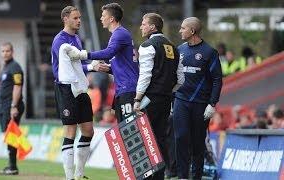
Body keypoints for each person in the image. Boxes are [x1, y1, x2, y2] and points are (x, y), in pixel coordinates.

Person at [66, 3, 139, 123]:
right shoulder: (117, 35)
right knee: (125, 128)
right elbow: (124, 64)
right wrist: (108, 68)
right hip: (122, 89)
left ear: (111, 19)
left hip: (128, 88)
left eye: (103, 15)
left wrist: (83, 54)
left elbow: (108, 53)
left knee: (131, 129)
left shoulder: (119, 33)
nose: (101, 18)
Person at [51, 6, 99, 180]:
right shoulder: (60, 40)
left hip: (79, 88)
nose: (79, 20)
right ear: (65, 19)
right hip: (65, 88)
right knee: (70, 131)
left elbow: (78, 66)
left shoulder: (77, 39)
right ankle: (70, 177)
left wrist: (89, 69)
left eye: (79, 17)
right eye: (75, 18)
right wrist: (92, 66)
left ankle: (79, 174)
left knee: (88, 130)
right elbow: (67, 68)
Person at [173, 17, 223, 179]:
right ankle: (182, 176)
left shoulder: (210, 52)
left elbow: (217, 80)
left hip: (201, 104)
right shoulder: (179, 50)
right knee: (180, 138)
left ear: (192, 31)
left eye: (183, 28)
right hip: (181, 101)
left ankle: (196, 177)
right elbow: (173, 76)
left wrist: (212, 104)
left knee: (197, 143)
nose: (180, 31)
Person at [133, 13, 178, 180]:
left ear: (153, 27)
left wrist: (138, 99)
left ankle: (145, 176)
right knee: (159, 138)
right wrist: (166, 89)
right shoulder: (173, 47)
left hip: (149, 99)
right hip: (166, 99)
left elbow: (145, 76)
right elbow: (180, 78)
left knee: (144, 138)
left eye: (144, 24)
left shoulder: (147, 46)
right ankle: (160, 176)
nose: (141, 27)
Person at [0, 42, 25, 175]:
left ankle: (13, 166)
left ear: (12, 52)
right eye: (3, 51)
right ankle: (11, 164)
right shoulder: (6, 67)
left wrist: (14, 106)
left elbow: (18, 86)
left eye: (7, 51)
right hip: (5, 106)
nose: (5, 53)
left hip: (12, 106)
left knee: (12, 135)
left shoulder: (15, 67)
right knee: (10, 136)